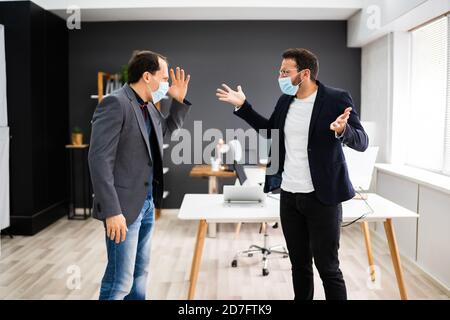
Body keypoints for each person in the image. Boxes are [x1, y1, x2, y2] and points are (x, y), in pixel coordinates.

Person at [216, 48, 368, 300]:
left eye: (285, 71)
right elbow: (269, 130)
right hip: (290, 197)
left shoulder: (336, 99)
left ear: (305, 73)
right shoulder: (286, 100)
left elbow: (362, 141)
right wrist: (244, 106)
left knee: (328, 268)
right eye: (280, 71)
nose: (280, 75)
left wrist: (343, 131)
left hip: (323, 198)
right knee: (299, 266)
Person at [88, 50, 192, 300]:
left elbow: (165, 132)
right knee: (119, 281)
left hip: (146, 204)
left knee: (139, 274)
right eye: (165, 77)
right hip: (122, 208)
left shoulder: (149, 107)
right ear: (147, 76)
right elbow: (99, 159)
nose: (167, 83)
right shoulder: (115, 103)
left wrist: (178, 101)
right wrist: (112, 211)